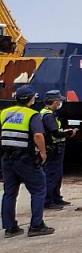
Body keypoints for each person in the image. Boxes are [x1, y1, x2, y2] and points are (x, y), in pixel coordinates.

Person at [1, 85, 55, 237]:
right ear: (31, 99)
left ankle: (10, 228)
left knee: (9, 193)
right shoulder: (32, 115)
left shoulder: (5, 112)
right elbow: (38, 135)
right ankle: (36, 226)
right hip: (25, 159)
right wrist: (43, 153)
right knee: (39, 189)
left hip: (6, 158)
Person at [40, 90, 77, 210]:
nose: (60, 103)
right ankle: (48, 201)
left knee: (57, 175)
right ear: (55, 102)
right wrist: (69, 133)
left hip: (56, 148)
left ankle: (56, 198)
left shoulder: (48, 113)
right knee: (51, 175)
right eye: (59, 101)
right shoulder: (48, 115)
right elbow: (55, 133)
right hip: (53, 149)